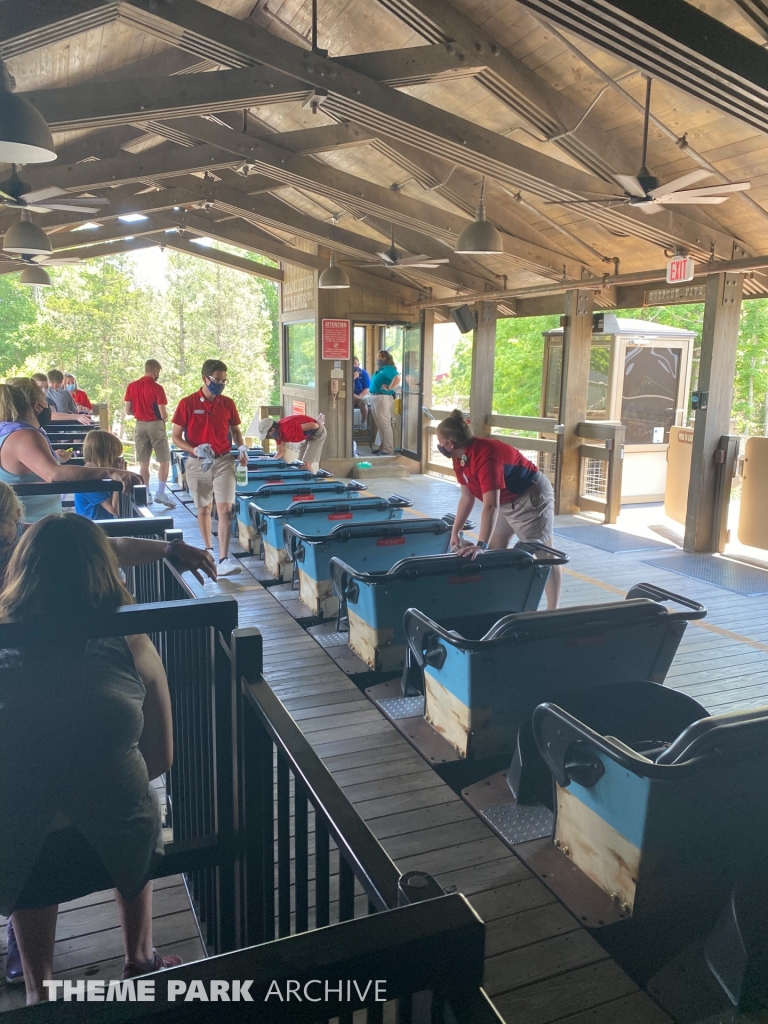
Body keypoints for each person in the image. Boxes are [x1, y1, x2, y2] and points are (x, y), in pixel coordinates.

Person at [0, 515, 183, 1003]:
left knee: (17, 810)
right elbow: (161, 756)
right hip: (117, 839)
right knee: (136, 794)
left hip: (22, 851)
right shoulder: (130, 637)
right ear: (103, 571)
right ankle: (140, 957)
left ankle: (41, 987)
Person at [436, 409, 561, 610]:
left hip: (529, 497)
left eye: (440, 442)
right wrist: (455, 532)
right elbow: (466, 497)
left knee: (544, 554)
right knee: (495, 551)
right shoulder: (459, 457)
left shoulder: (486, 457)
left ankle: (552, 611)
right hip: (505, 499)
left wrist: (480, 544)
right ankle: (500, 601)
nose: (439, 446)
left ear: (450, 443)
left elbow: (490, 506)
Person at [0, 483, 216, 597]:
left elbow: (111, 547)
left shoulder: (43, 538)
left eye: (3, 542)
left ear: (18, 516)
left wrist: (172, 548)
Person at [0, 383, 139, 522]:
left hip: (32, 521)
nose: (48, 406)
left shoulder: (8, 432)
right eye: (45, 400)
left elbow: (25, 469)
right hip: (32, 525)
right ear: (37, 406)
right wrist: (111, 472)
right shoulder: (24, 435)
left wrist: (58, 459)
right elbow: (54, 474)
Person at [171, 359, 247, 577]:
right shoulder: (187, 403)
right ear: (205, 378)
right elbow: (176, 437)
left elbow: (235, 431)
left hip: (224, 460)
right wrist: (194, 450)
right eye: (217, 380)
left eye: (224, 381)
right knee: (204, 508)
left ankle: (223, 559)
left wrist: (241, 447)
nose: (221, 384)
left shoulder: (228, 403)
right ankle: (208, 551)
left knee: (225, 509)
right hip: (198, 461)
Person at [124, 360, 175, 510]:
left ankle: (147, 493)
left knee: (143, 463)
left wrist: (140, 413)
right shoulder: (157, 388)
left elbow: (128, 411)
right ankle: (160, 492)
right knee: (164, 460)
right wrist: (165, 418)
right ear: (156, 371)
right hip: (155, 425)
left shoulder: (132, 386)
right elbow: (163, 413)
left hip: (139, 425)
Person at [74, 430, 125, 521]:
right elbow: (114, 510)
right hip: (94, 529)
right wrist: (118, 477)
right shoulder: (88, 478)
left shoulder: (93, 472)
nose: (117, 459)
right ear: (105, 455)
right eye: (115, 456)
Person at [257, 414, 327, 472]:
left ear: (272, 430)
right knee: (300, 464)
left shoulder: (287, 430)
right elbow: (281, 452)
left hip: (317, 432)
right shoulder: (277, 434)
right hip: (307, 435)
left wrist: (319, 424)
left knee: (306, 465)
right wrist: (269, 460)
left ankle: (313, 486)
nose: (267, 437)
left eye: (267, 435)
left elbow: (313, 425)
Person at [369, 350, 400, 456]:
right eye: (377, 357)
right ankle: (382, 446)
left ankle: (388, 449)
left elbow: (397, 378)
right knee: (380, 424)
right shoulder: (381, 369)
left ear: (386, 358)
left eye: (380, 357)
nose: (378, 359)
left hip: (383, 397)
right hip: (375, 397)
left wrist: (390, 387)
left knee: (385, 423)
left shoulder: (389, 369)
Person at [353, 357, 371, 426]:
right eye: (352, 364)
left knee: (364, 402)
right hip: (351, 395)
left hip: (362, 395)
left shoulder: (364, 373)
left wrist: (359, 397)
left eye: (355, 363)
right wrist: (353, 377)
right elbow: (346, 387)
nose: (354, 366)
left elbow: (367, 388)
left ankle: (363, 421)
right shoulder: (346, 374)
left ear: (358, 364)